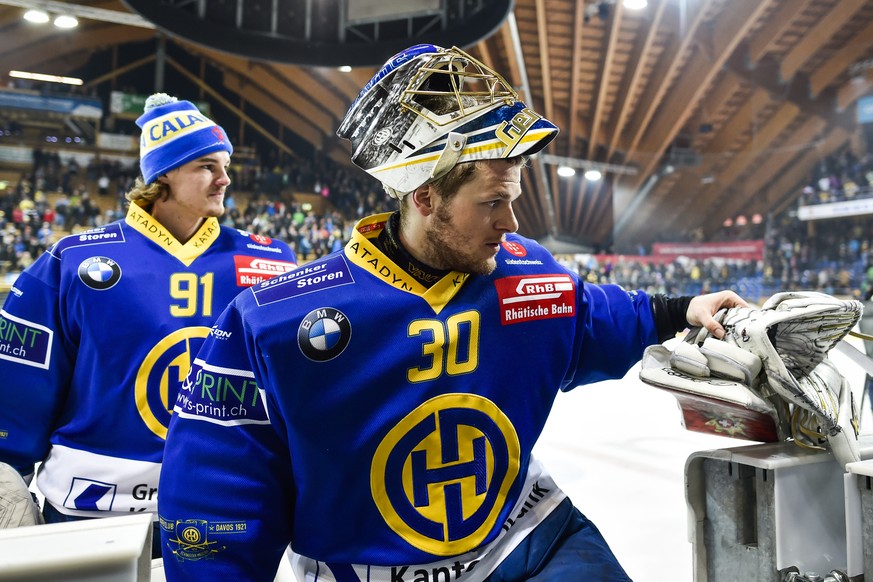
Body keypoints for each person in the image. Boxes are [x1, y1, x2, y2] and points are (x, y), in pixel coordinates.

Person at [157, 45, 746, 580]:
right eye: (492, 203)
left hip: (526, 536)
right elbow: (217, 499)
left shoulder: (526, 271)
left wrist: (684, 308)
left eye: (512, 200)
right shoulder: (271, 321)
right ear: (425, 198)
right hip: (363, 569)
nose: (511, 223)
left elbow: (591, 316)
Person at [0, 93, 297, 557]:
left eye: (224, 165)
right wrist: (8, 468)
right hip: (91, 511)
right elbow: (20, 381)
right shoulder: (72, 261)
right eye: (206, 166)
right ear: (162, 175)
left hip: (224, 506)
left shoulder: (269, 261)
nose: (225, 179)